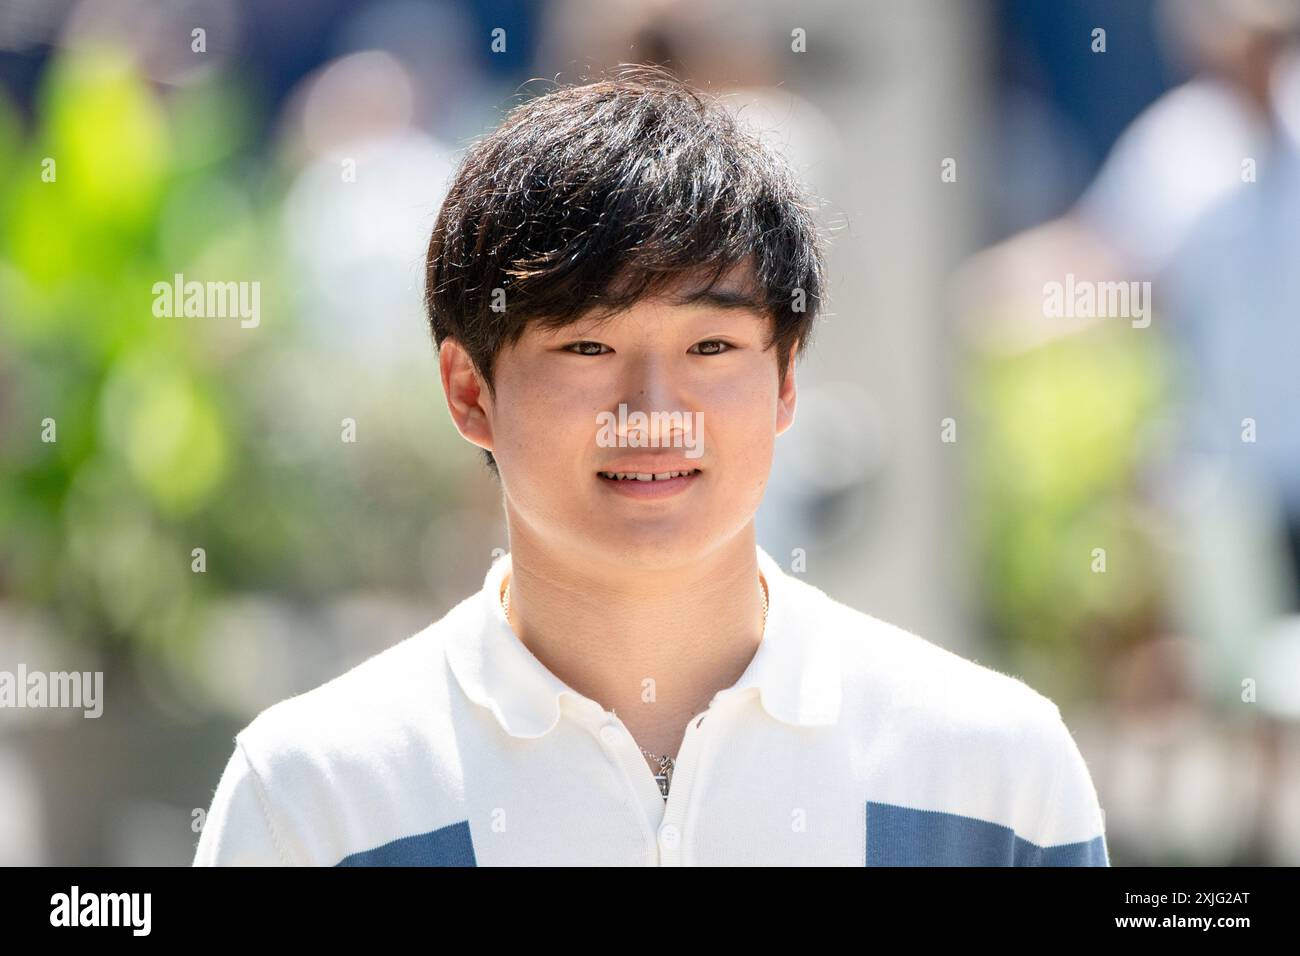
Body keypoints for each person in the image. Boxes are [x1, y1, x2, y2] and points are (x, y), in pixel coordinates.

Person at [193, 64, 1108, 866]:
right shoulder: (318, 795)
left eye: (712, 347)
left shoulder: (993, 774)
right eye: (589, 349)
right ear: (470, 392)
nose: (654, 413)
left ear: (787, 382)